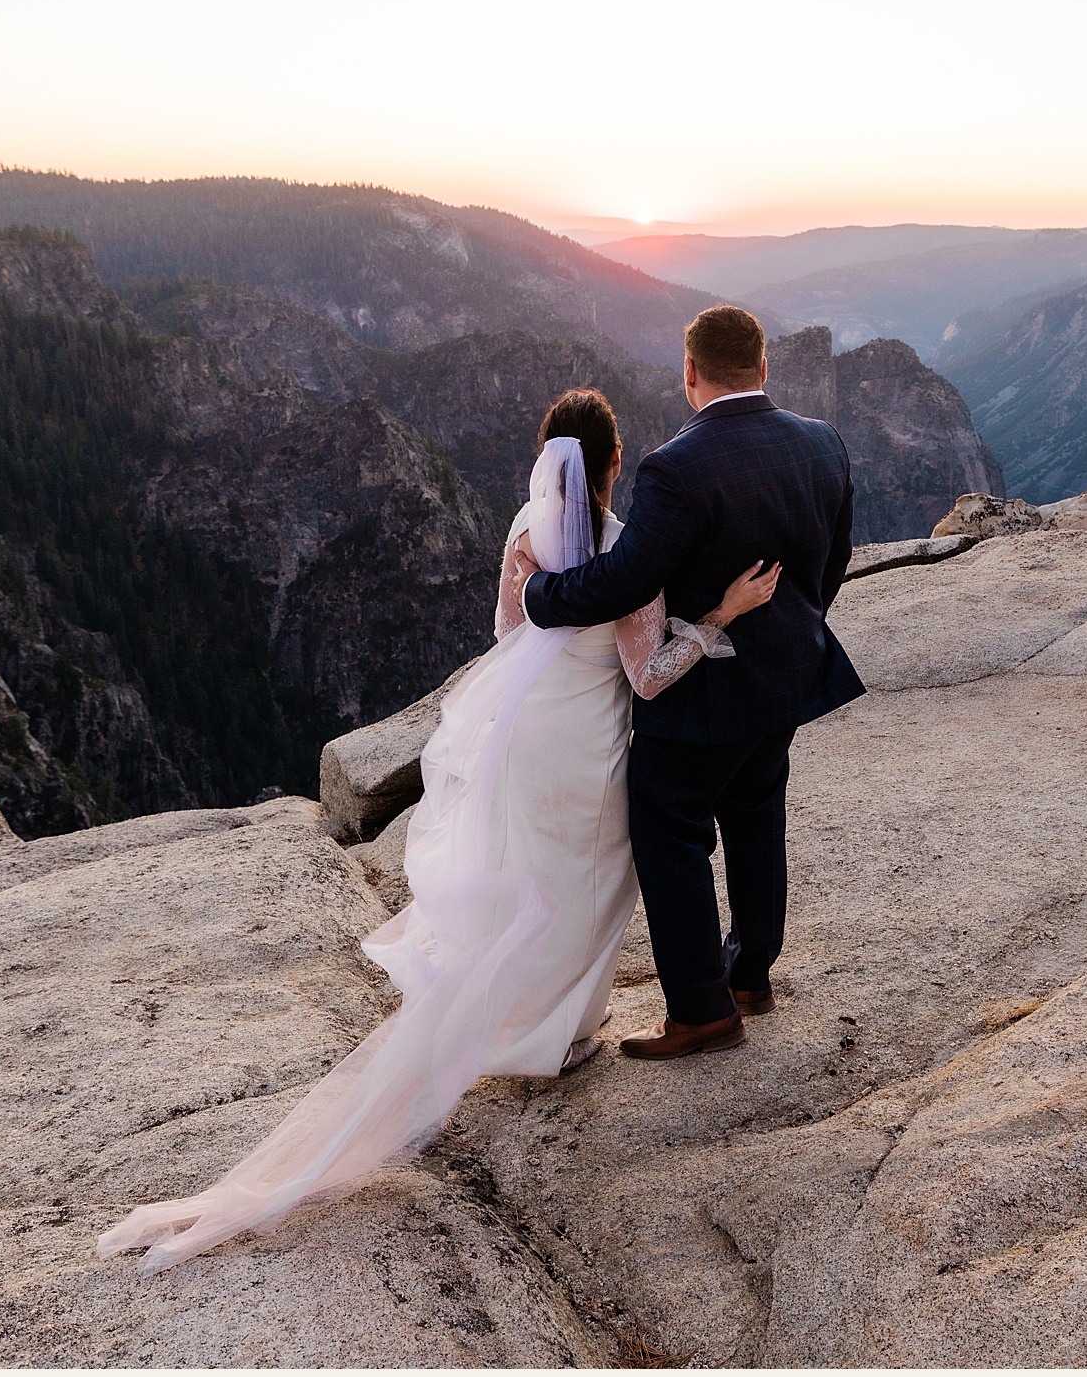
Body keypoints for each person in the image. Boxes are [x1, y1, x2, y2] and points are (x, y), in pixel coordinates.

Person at [97, 387, 780, 1274]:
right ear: (615, 464)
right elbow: (647, 675)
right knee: (589, 884)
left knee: (530, 877)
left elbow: (507, 631)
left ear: (548, 460)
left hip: (524, 731)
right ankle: (564, 1032)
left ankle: (535, 1027)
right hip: (587, 744)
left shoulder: (523, 534)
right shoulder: (628, 552)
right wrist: (722, 617)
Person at [518, 303, 866, 1059]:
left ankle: (702, 1010)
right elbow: (831, 562)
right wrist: (791, 630)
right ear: (764, 366)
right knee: (754, 814)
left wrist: (537, 596)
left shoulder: (677, 467)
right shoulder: (822, 443)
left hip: (702, 697)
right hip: (786, 680)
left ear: (689, 373)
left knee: (668, 828)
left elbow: (622, 580)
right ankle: (751, 977)